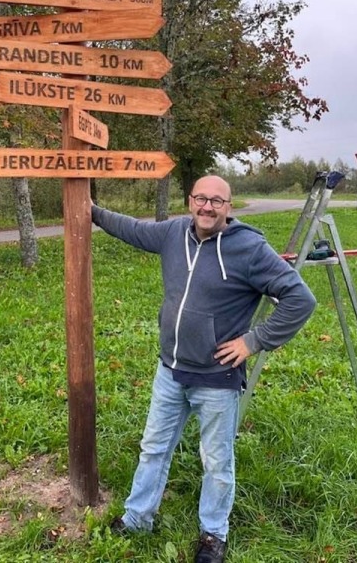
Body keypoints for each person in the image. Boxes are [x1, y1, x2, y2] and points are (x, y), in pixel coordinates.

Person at [91, 175, 316, 563]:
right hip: (171, 370)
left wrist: (253, 341)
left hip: (216, 379)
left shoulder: (249, 248)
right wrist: (90, 211)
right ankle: (137, 517)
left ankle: (213, 535)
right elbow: (132, 229)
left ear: (229, 207)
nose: (207, 207)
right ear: (189, 200)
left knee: (216, 461)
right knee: (153, 449)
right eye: (200, 199)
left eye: (217, 201)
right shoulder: (174, 233)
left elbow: (300, 298)